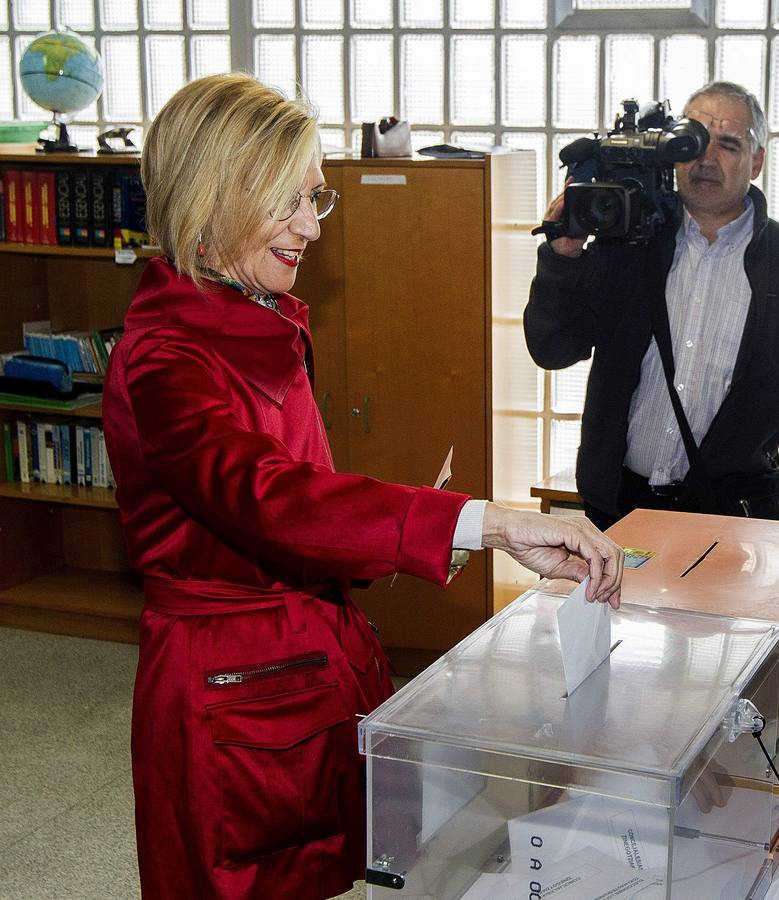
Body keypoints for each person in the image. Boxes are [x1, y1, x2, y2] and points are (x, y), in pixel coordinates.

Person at [102, 74, 624, 900]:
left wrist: (418, 533)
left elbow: (305, 501)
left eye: (316, 199)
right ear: (212, 195)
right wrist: (479, 523)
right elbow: (267, 498)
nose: (311, 228)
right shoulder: (166, 358)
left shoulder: (253, 315)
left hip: (307, 662)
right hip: (229, 691)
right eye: (290, 202)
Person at [525, 81, 779, 541]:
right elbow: (552, 348)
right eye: (690, 143)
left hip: (734, 516)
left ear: (756, 162)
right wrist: (562, 257)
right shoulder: (627, 247)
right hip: (618, 507)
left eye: (729, 145)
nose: (706, 159)